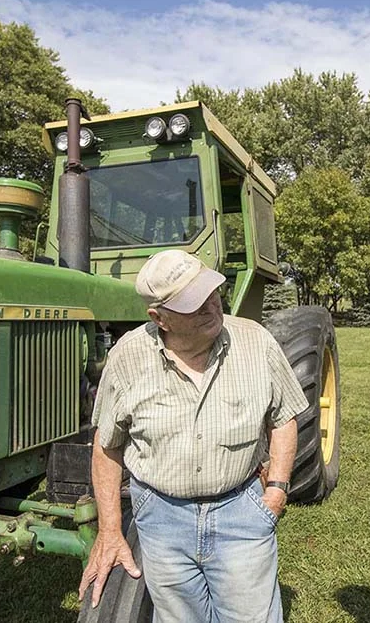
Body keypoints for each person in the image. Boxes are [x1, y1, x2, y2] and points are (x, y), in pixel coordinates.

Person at [78, 249, 308, 623]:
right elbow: (107, 447)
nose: (210, 306)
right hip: (162, 520)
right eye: (192, 302)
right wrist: (110, 530)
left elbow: (284, 418)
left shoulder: (256, 343)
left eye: (210, 291)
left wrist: (277, 490)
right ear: (159, 318)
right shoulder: (128, 357)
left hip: (240, 512)